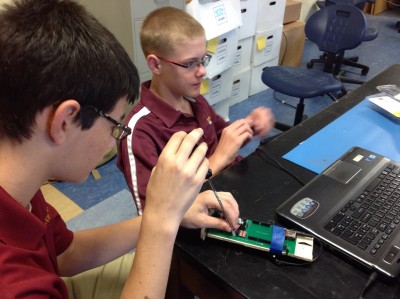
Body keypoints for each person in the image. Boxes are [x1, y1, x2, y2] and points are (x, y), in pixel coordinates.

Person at [0, 0, 218, 298]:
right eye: (114, 124)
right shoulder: (12, 284)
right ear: (64, 120)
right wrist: (162, 223)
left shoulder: (19, 186)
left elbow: (66, 253)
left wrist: (166, 214)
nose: (112, 139)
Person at [118, 7, 275, 216]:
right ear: (156, 65)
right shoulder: (139, 132)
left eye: (203, 60)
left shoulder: (194, 100)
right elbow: (151, 216)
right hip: (197, 216)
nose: (202, 71)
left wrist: (247, 127)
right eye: (190, 64)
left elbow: (221, 136)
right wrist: (217, 160)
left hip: (228, 190)